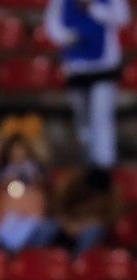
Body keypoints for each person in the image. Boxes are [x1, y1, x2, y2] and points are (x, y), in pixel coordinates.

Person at [44, 0, 131, 169]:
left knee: (102, 118)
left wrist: (92, 7)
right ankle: (87, 165)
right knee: (83, 122)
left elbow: (123, 18)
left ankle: (104, 167)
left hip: (104, 67)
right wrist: (69, 36)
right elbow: (53, 25)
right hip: (76, 67)